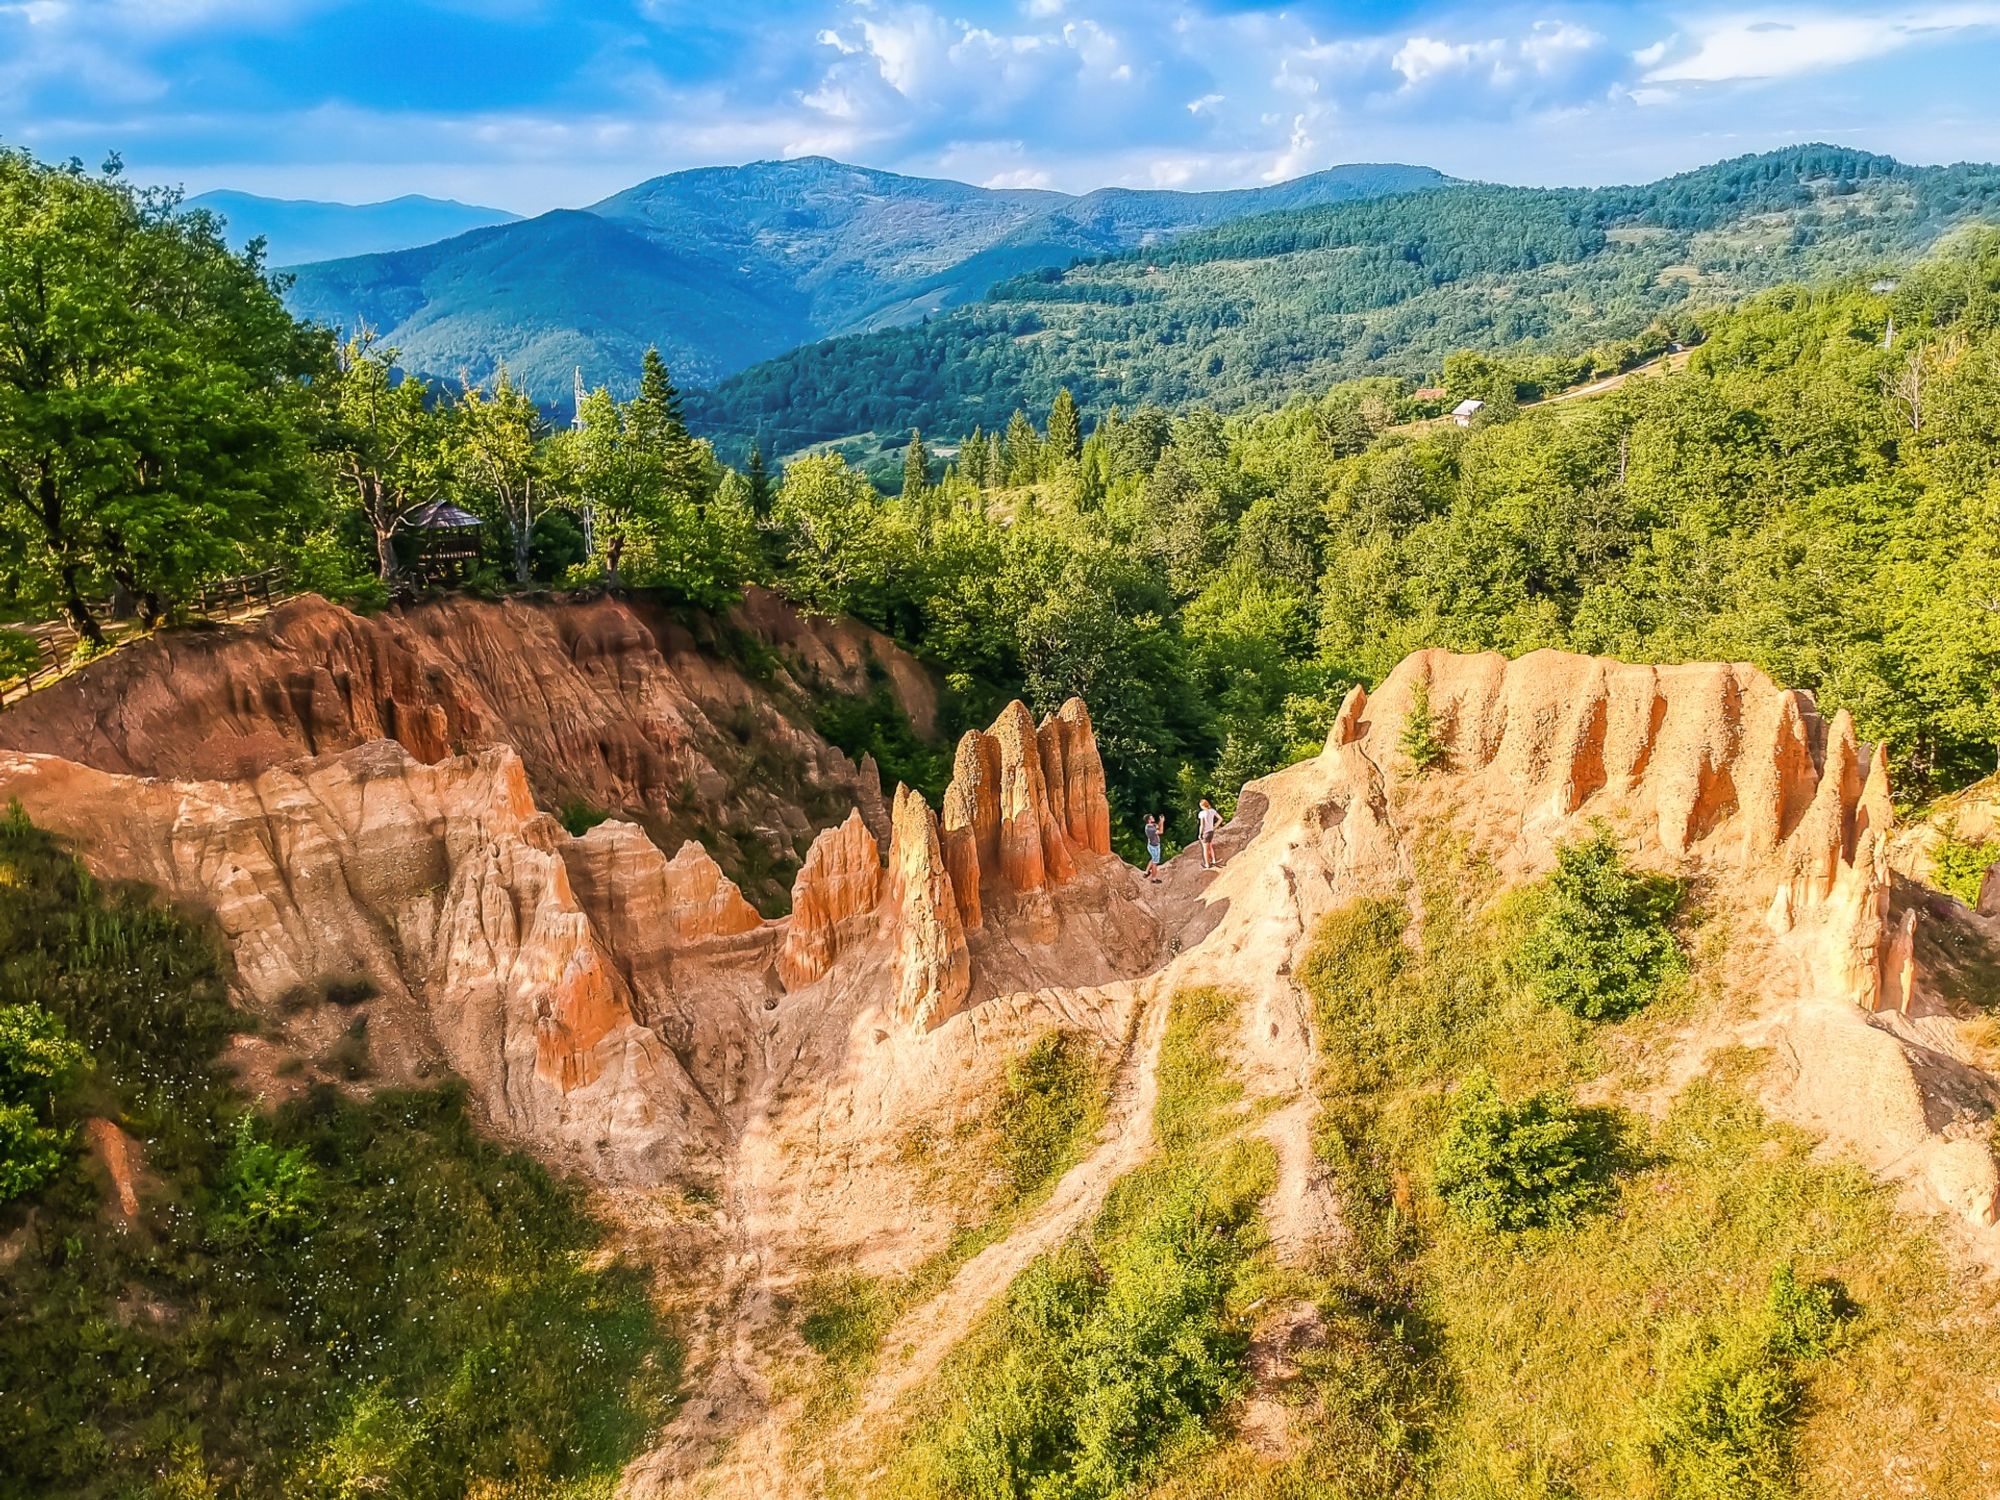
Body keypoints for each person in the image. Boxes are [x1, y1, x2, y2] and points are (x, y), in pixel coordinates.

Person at [1197, 797, 1223, 869]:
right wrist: (1215, 826)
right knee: (1210, 846)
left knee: (1205, 849)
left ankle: (1207, 864)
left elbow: (1202, 825)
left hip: (1205, 832)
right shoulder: (1212, 811)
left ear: (1202, 806)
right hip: (1211, 831)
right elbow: (1220, 819)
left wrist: (1200, 834)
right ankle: (1214, 860)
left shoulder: (1202, 813)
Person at [1142, 812, 1164, 882]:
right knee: (1155, 862)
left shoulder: (1150, 825)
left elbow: (1157, 826)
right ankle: (1154, 879)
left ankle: (1146, 872)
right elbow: (1161, 831)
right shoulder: (1150, 829)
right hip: (1154, 847)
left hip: (1152, 845)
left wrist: (1160, 820)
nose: (1153, 818)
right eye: (1152, 818)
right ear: (1149, 820)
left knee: (1153, 859)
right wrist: (1162, 822)